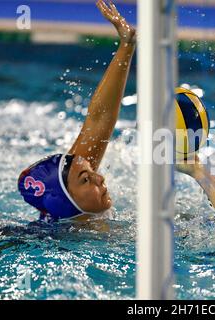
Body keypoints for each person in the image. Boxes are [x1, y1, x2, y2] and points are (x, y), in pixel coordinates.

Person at [18, 0, 136, 225]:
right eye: (86, 180)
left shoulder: (75, 193)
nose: (99, 177)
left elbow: (98, 119)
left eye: (90, 172)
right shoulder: (49, 243)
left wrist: (126, 45)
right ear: (63, 203)